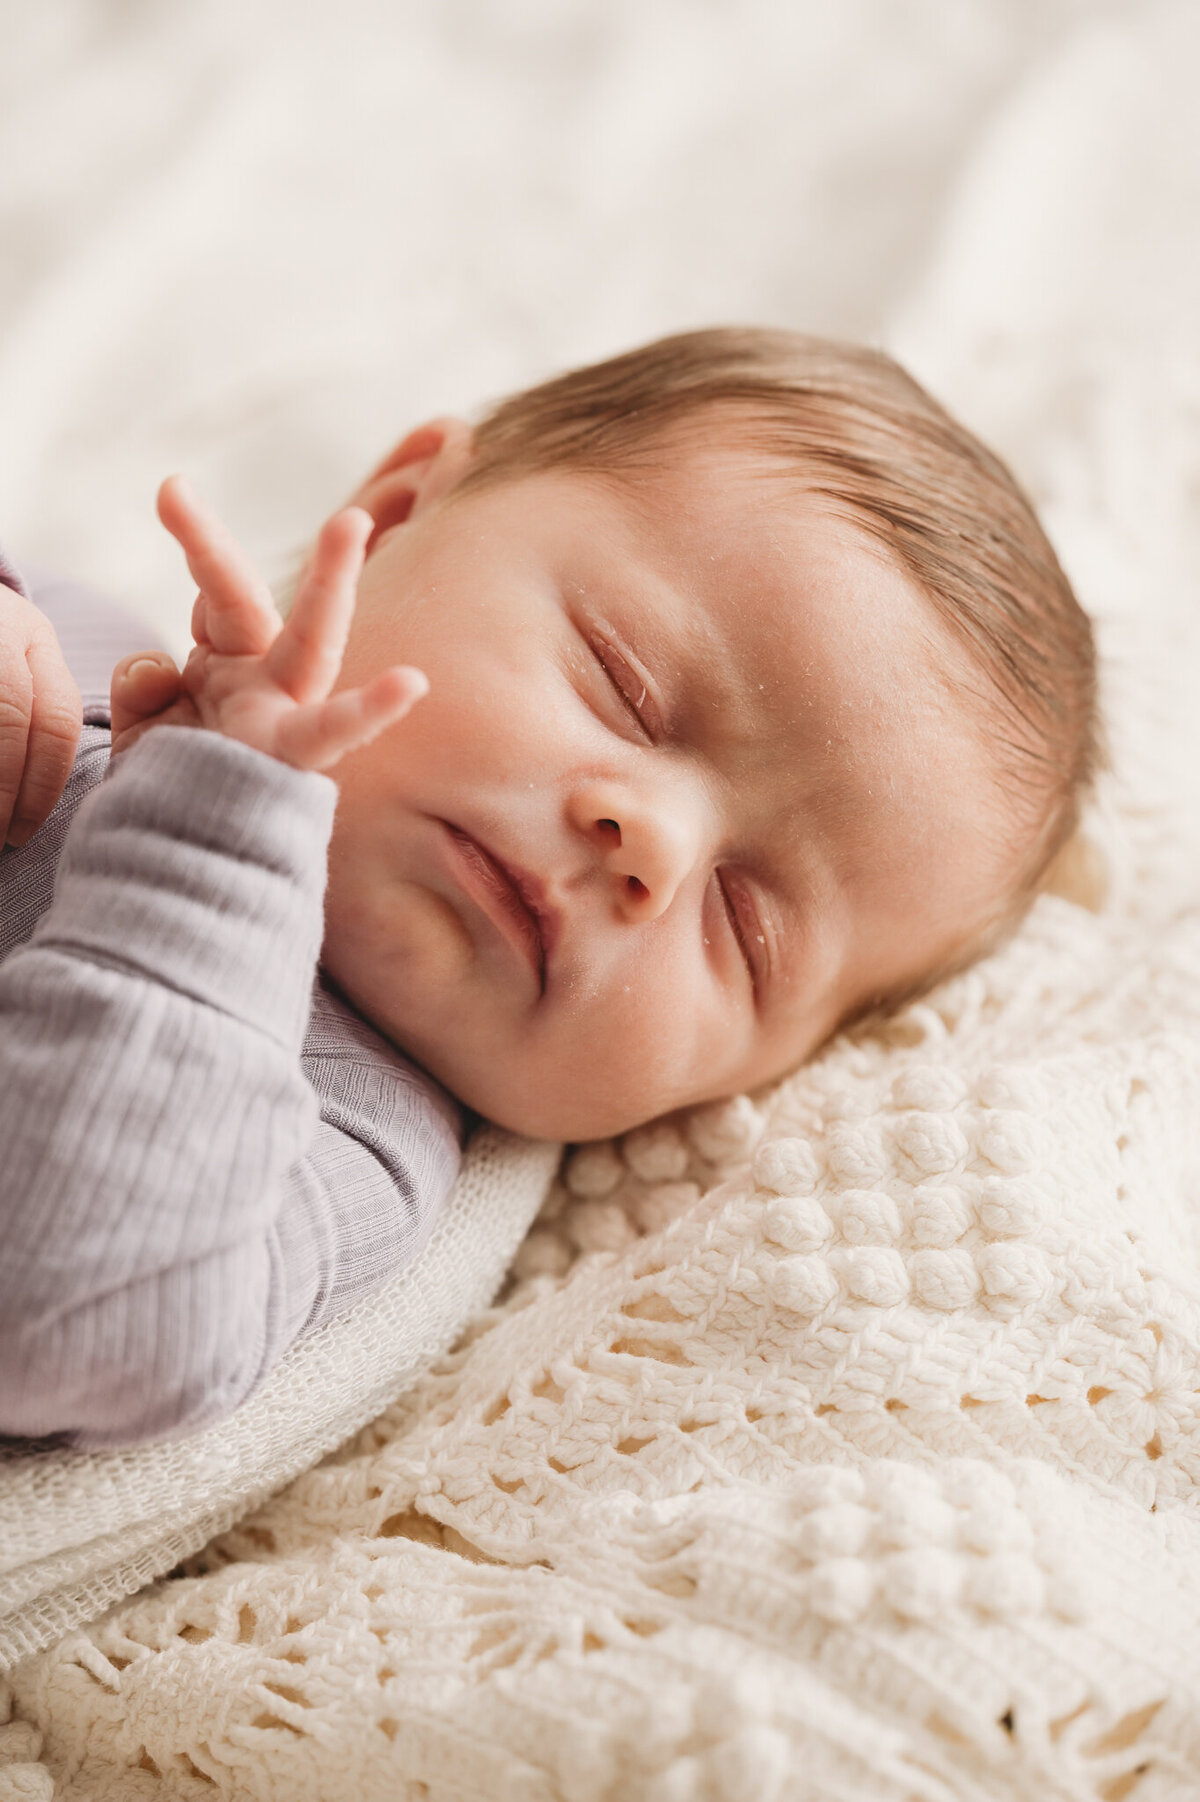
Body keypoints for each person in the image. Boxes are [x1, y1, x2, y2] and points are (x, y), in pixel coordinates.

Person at [0, 328, 1098, 1449]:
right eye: (623, 685)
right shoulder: (78, 635)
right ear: (392, 517)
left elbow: (58, 1312)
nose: (652, 845)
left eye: (744, 925)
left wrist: (213, 840)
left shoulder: (351, 1142)